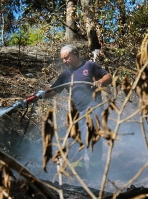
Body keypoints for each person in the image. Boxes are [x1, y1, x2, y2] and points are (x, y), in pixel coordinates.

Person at [38, 44, 112, 176]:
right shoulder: (65, 75)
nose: (64, 61)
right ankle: (78, 173)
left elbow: (108, 77)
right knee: (73, 141)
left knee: (91, 139)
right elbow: (54, 91)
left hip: (92, 108)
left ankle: (97, 171)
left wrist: (100, 81)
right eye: (62, 59)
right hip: (76, 112)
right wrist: (41, 95)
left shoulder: (90, 66)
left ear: (75, 54)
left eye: (66, 58)